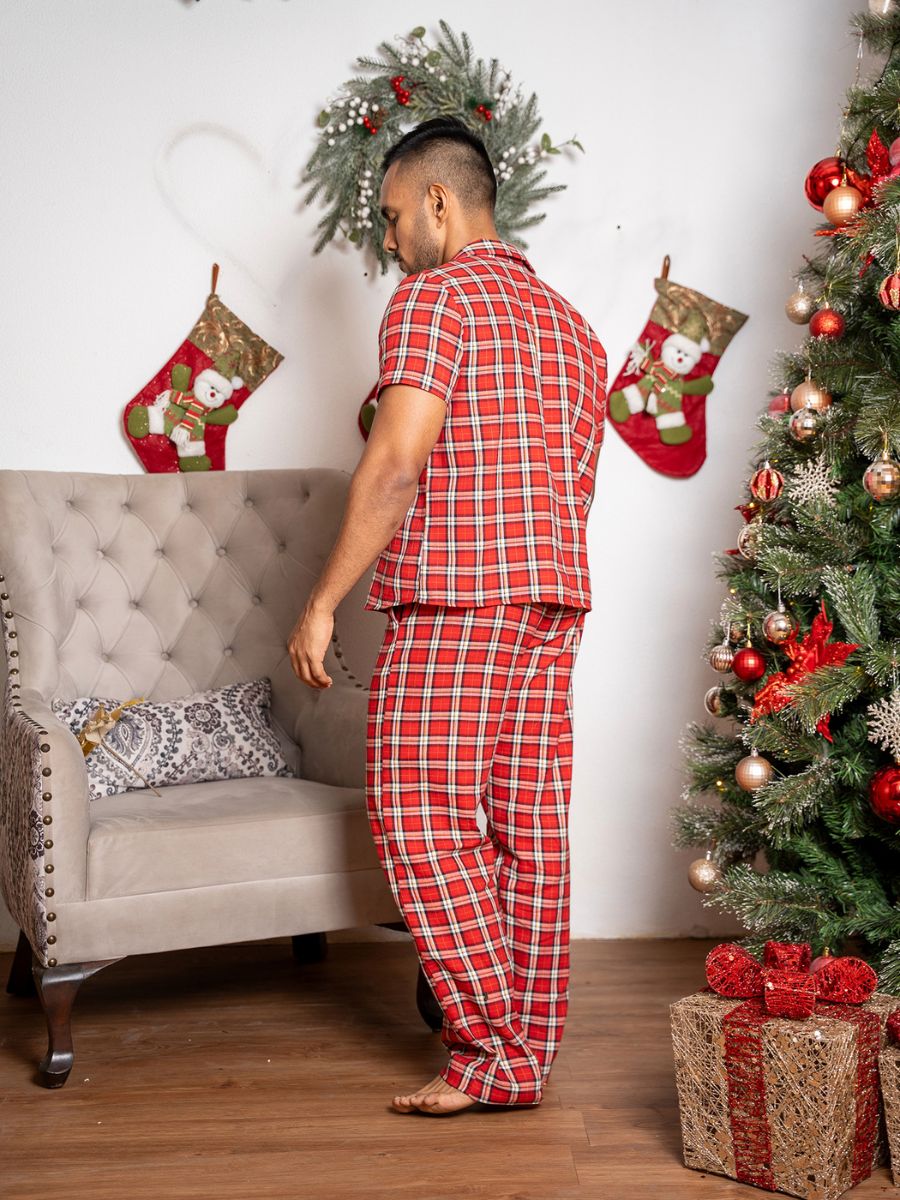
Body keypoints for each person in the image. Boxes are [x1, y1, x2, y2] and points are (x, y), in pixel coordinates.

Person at [287, 115, 607, 1117]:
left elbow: (395, 463)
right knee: (526, 830)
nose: (387, 240)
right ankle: (524, 1055)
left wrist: (323, 601)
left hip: (458, 597)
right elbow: (571, 480)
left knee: (420, 818)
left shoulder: (434, 300)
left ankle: (488, 1045)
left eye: (390, 217)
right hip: (552, 596)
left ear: (439, 200)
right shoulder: (573, 325)